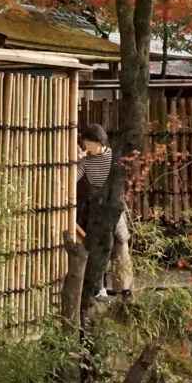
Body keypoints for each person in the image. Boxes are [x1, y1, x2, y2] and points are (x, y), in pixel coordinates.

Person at [75, 124, 133, 296]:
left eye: (88, 143)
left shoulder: (113, 158)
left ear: (98, 141)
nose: (86, 146)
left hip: (113, 203)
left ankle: (124, 287)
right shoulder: (86, 161)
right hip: (95, 206)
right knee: (96, 247)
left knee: (120, 243)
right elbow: (75, 177)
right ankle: (98, 287)